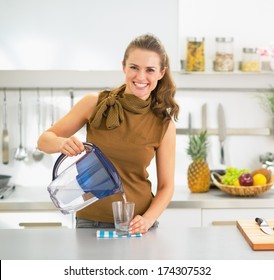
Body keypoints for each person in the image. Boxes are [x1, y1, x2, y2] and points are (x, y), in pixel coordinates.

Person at [37, 33, 179, 234]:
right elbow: (43, 141)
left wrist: (147, 219)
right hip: (90, 221)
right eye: (134, 67)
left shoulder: (163, 124)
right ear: (123, 66)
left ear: (161, 73)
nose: (140, 77)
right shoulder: (95, 104)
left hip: (137, 225)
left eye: (150, 70)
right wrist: (61, 143)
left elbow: (166, 186)